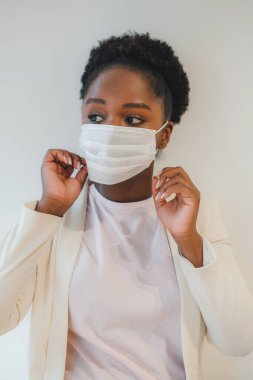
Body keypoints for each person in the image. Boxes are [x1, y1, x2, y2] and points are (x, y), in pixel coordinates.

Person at [0, 31, 253, 380]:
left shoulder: (196, 214)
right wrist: (49, 210)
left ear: (164, 133)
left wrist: (189, 241)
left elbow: (238, 341)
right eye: (97, 116)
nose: (111, 130)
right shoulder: (54, 216)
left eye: (133, 119)